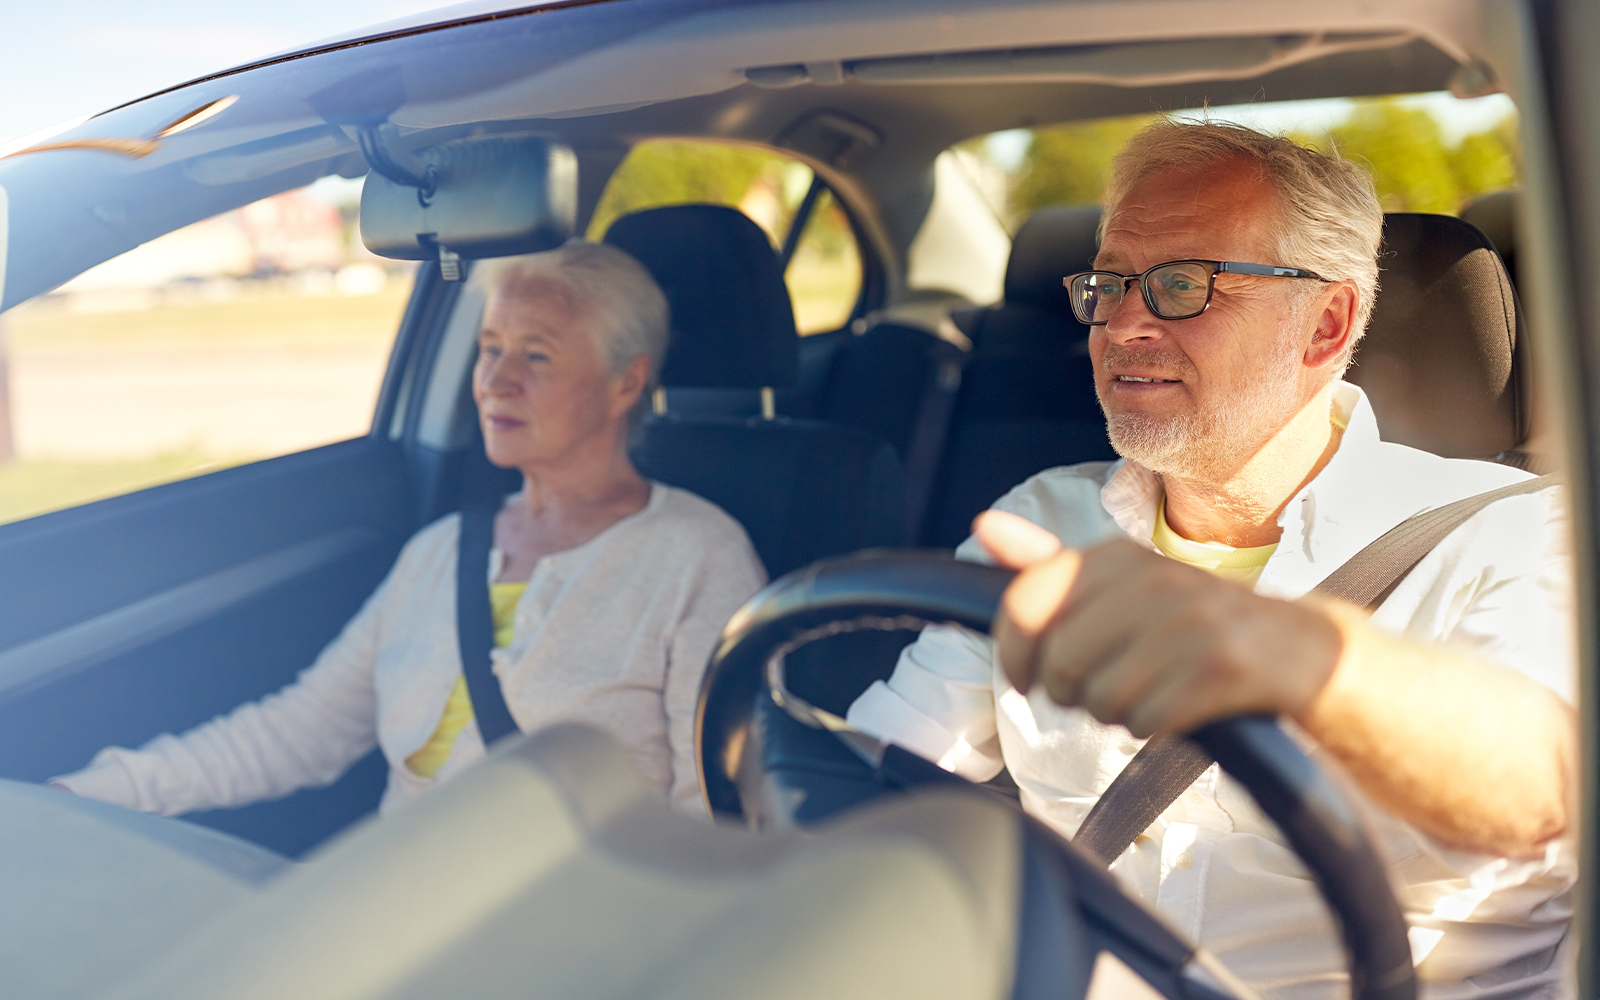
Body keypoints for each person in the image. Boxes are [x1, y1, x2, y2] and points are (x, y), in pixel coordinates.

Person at [848, 121, 1575, 996]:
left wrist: (1297, 658)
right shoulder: (1043, 519)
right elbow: (875, 792)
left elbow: (1541, 788)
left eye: (1182, 285)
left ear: (1327, 322)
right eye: (1108, 285)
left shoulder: (1517, 533)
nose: (1122, 325)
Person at [53, 242, 766, 816]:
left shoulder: (698, 557)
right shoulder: (442, 551)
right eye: (491, 347)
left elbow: (707, 812)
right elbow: (298, 733)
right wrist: (88, 794)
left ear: (625, 382)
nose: (495, 380)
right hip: (388, 900)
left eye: (537, 355)